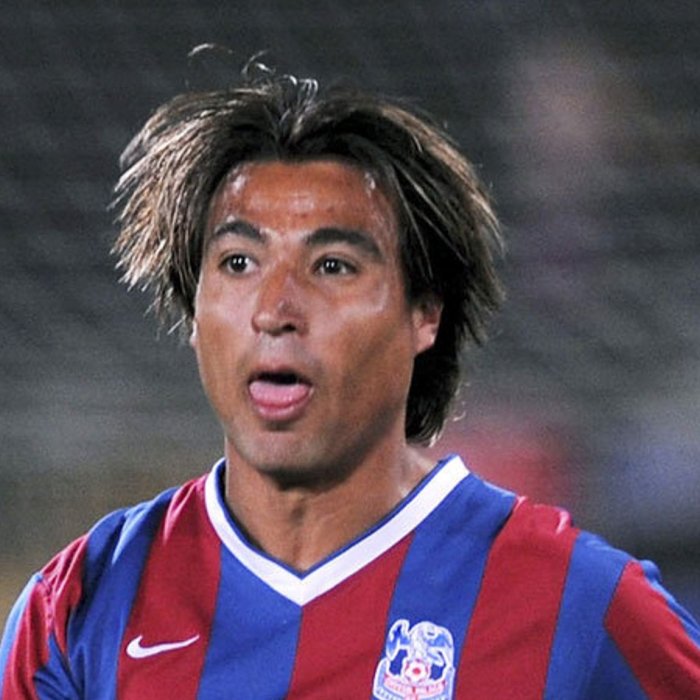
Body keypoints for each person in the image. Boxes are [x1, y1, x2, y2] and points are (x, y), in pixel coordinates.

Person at [1, 60, 699, 700]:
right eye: (239, 263)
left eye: (332, 266)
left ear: (425, 313)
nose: (275, 309)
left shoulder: (575, 602)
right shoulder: (81, 609)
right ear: (194, 311)